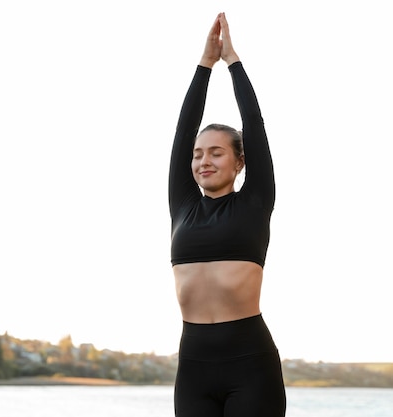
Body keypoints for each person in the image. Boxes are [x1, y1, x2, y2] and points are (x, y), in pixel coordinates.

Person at [169, 13, 286, 416]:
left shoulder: (254, 202)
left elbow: (253, 124)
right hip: (194, 368)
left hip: (249, 365)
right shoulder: (181, 205)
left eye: (216, 153)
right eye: (199, 155)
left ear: (239, 162)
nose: (203, 160)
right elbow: (184, 131)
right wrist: (203, 66)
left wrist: (232, 62)